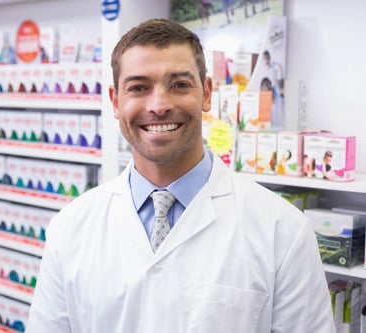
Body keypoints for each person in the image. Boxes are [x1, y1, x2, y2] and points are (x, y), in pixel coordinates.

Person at [25, 19, 335, 333]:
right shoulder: (70, 227)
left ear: (207, 93)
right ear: (115, 101)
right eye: (138, 88)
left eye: (179, 85)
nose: (159, 106)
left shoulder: (283, 230)